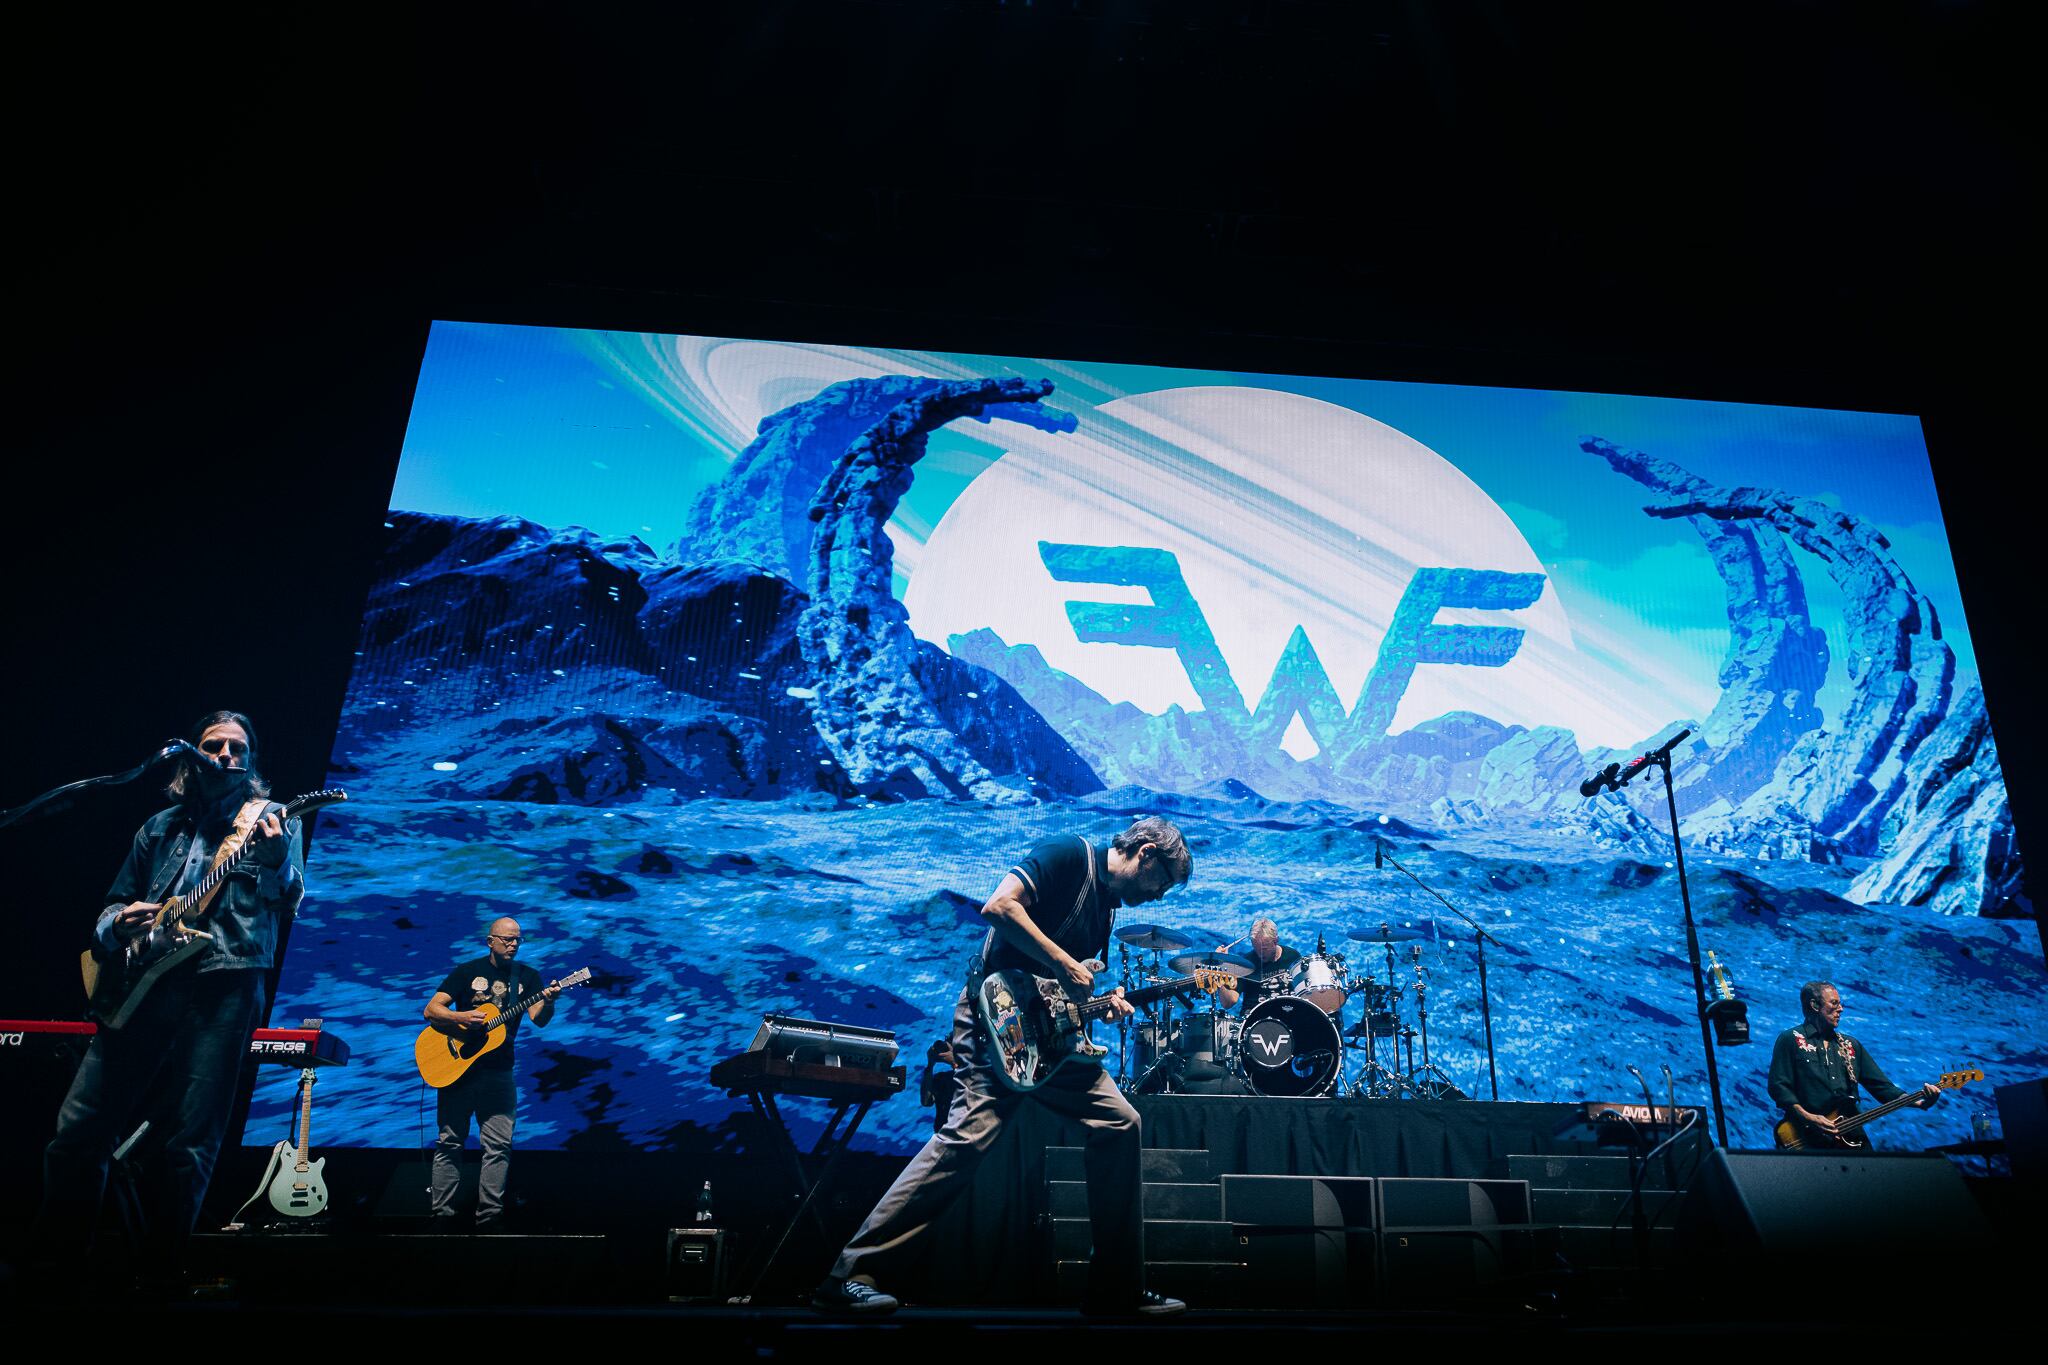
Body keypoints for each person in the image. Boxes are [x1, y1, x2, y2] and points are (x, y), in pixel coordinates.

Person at [812, 817, 1194, 1317]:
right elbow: (999, 906)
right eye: (1162, 882)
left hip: (1047, 1043)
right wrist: (1063, 962)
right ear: (1145, 852)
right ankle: (848, 1275)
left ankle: (1115, 1290)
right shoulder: (1068, 855)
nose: (1159, 896)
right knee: (968, 1136)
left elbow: (1063, 992)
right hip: (992, 1023)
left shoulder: (1105, 909)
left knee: (1120, 1123)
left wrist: (1100, 1004)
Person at [38, 710, 305, 1281]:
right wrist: (118, 925)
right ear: (191, 757)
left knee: (191, 1140)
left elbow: (288, 901)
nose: (226, 755)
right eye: (213, 745)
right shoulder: (158, 828)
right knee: (78, 1131)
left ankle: (159, 1281)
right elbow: (112, 906)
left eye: (238, 748)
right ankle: (57, 1273)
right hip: (143, 982)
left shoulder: (274, 821)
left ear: (251, 762)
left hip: (225, 983)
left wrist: (278, 859)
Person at [422, 917, 562, 1230]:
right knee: (449, 1142)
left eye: (517, 940)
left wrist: (550, 1001)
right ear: (490, 941)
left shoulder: (528, 977)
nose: (513, 945)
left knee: (498, 1146)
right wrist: (461, 1017)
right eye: (507, 939)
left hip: (500, 1072)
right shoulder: (467, 971)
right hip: (458, 1071)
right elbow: (431, 1010)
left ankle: (489, 1218)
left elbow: (539, 1019)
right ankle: (441, 1216)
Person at [1768, 981, 1939, 1147]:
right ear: (1814, 1005)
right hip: (1806, 1136)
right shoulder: (1791, 1039)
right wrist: (1808, 1117)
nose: (1841, 1009)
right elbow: (1779, 1087)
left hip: (1851, 1134)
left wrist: (1919, 1103)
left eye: (1840, 1004)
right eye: (1834, 1003)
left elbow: (1883, 1087)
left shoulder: (1851, 1045)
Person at [1215, 918, 1294, 1014]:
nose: (1260, 954)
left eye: (1264, 949)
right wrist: (1221, 970)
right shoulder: (1245, 964)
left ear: (1275, 941)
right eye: (1256, 949)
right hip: (1255, 1017)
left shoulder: (1292, 957)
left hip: (1286, 1013)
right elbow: (1228, 1003)